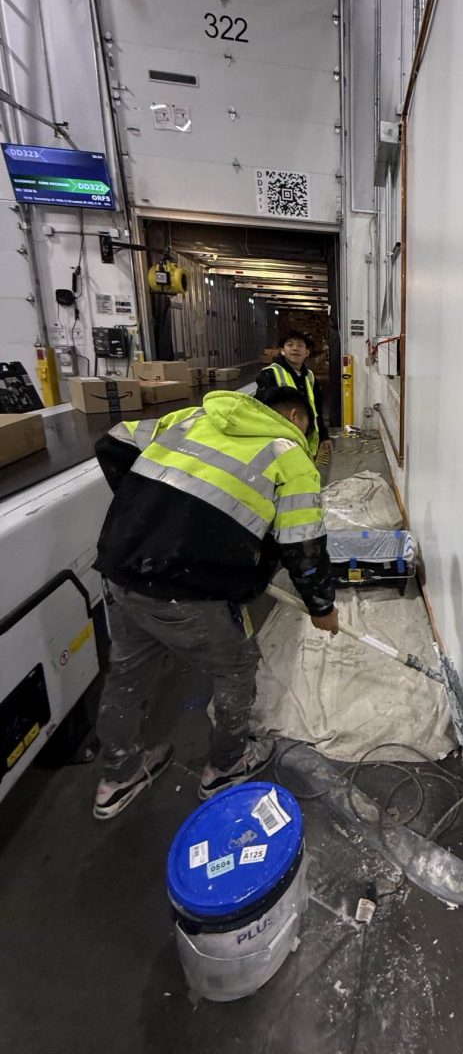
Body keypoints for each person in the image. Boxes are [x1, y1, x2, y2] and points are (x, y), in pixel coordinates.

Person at [90, 386, 339, 821]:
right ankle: (226, 766)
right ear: (298, 417)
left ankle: (118, 775)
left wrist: (149, 513)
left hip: (122, 568)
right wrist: (322, 607)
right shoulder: (289, 455)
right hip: (187, 589)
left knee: (126, 672)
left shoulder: (190, 419)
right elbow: (304, 547)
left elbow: (111, 442)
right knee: (237, 668)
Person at [256, 331, 332, 461]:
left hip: (305, 440)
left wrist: (323, 437)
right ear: (282, 350)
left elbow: (317, 409)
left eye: (300, 345)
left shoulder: (310, 377)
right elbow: (260, 408)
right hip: (280, 441)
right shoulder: (270, 373)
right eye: (290, 345)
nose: (295, 348)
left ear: (307, 352)